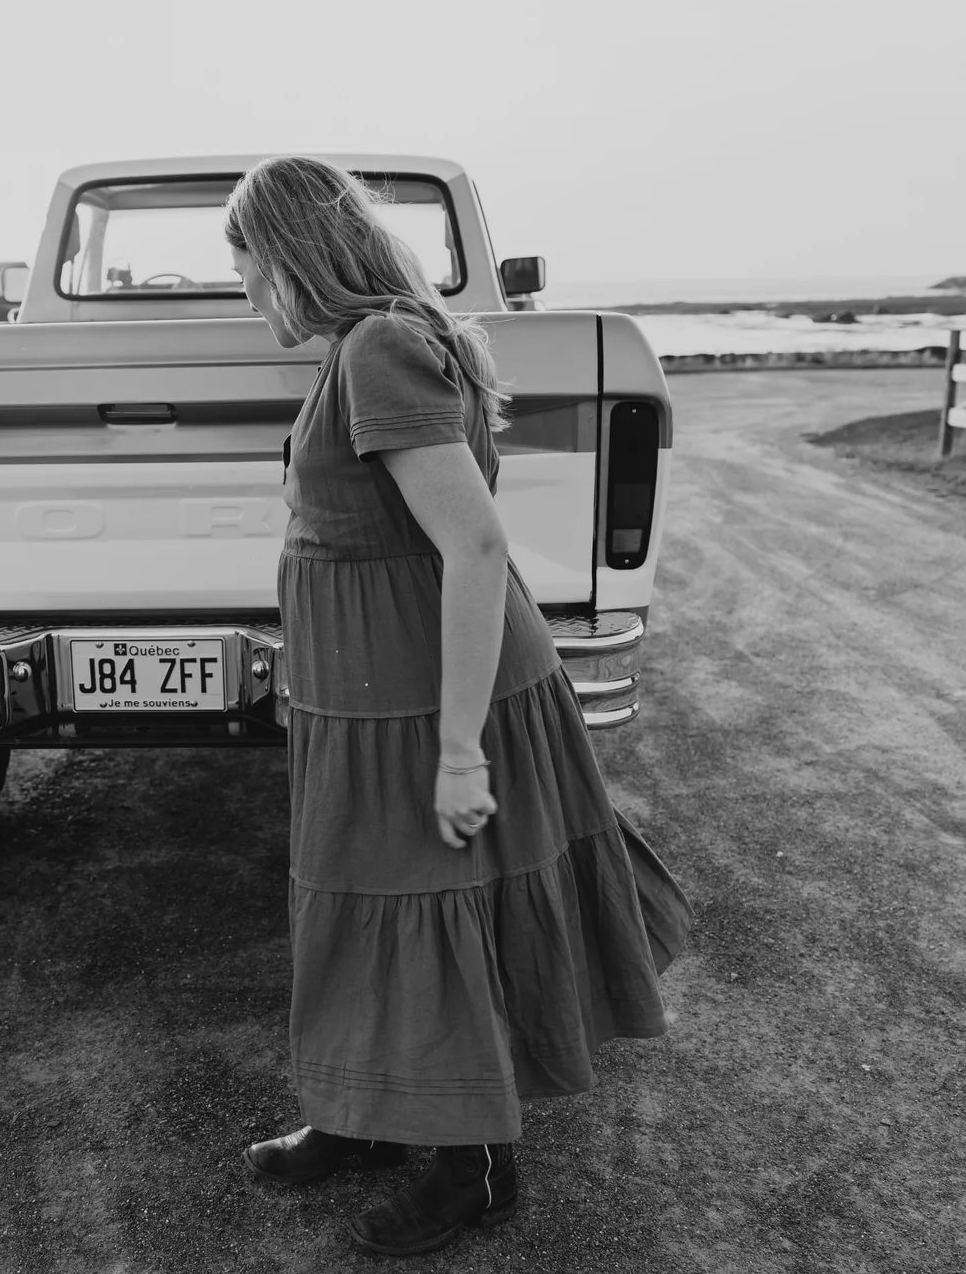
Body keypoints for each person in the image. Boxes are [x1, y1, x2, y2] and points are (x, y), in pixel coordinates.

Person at [225, 157, 693, 1258]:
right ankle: (366, 1116)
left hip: (432, 701)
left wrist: (455, 750)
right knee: (360, 910)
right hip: (365, 698)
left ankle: (474, 1168)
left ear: (293, 252)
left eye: (244, 261)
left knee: (436, 918)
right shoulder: (361, 347)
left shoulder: (379, 347)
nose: (242, 288)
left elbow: (474, 546)